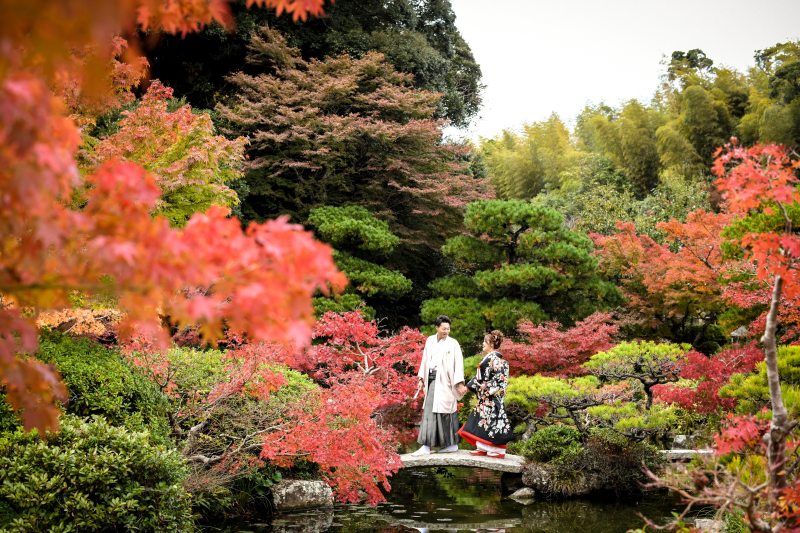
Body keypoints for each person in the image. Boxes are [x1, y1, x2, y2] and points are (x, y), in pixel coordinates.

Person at [413, 315, 467, 455]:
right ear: (437, 327)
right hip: (431, 380)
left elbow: (458, 364)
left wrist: (460, 383)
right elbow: (425, 360)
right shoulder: (430, 340)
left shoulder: (453, 343)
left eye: (448, 329)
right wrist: (421, 379)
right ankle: (426, 446)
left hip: (446, 382)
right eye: (443, 328)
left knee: (447, 413)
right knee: (429, 412)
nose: (446, 331)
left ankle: (452, 444)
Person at [458, 330, 513, 458]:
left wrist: (487, 386)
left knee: (493, 421)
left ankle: (497, 450)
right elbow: (479, 378)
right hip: (485, 397)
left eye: (485, 341)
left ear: (491, 344)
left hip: (492, 397)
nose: (483, 344)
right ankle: (483, 447)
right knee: (481, 420)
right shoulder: (488, 358)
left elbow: (501, 378)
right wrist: (468, 386)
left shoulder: (496, 359)